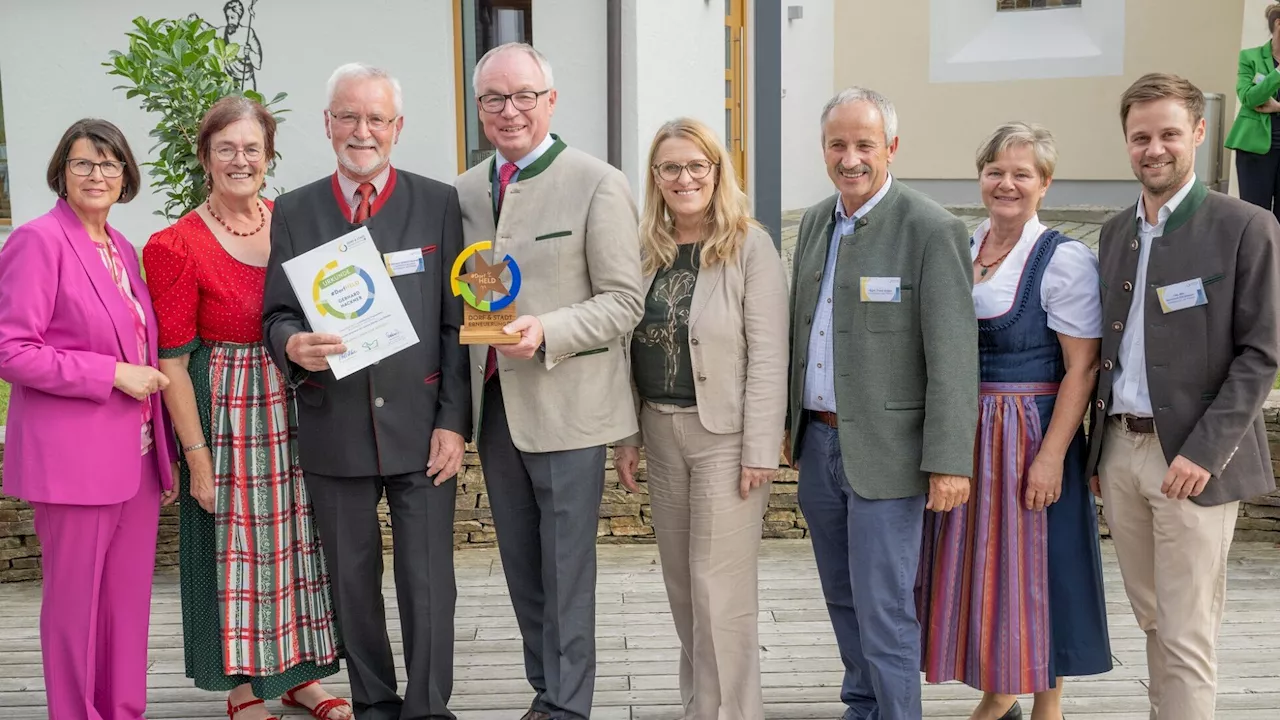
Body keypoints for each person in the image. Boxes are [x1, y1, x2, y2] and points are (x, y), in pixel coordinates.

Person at [262, 63, 471, 720]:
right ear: (327, 125)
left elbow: (455, 321)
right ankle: (375, 705)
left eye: (376, 118)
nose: (362, 131)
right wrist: (291, 345)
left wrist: (454, 421)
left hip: (423, 428)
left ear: (397, 128)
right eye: (347, 116)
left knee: (429, 583)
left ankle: (427, 709)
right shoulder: (293, 210)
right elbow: (276, 314)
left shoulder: (438, 202)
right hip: (336, 428)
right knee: (352, 584)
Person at [454, 42, 643, 720]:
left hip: (568, 408)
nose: (510, 111)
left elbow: (625, 301)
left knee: (567, 572)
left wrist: (549, 330)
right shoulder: (466, 189)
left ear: (550, 101)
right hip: (496, 407)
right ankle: (546, 690)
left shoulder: (597, 182)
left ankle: (567, 706)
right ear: (480, 110)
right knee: (523, 570)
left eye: (524, 96)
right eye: (494, 99)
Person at [144, 96, 348, 720]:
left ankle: (300, 675)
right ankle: (242, 687)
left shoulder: (292, 221)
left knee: (301, 541)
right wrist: (197, 456)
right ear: (204, 157)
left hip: (298, 399)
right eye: (226, 148)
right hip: (228, 410)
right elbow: (173, 360)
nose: (241, 160)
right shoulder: (175, 244)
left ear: (269, 156)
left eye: (252, 148)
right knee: (240, 548)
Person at [1089, 72, 1280, 720]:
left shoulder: (1246, 227)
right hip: (1120, 451)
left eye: (1169, 133)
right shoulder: (1114, 233)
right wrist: (1097, 456)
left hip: (1195, 462)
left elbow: (1262, 354)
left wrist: (1205, 452)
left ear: (1199, 133)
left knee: (1187, 633)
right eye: (1140, 136)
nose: (1154, 148)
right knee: (1153, 621)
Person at [785, 87, 979, 720]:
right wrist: (791, 424)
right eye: (837, 145)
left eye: (864, 145)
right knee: (841, 595)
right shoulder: (815, 220)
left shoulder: (931, 228)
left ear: (891, 148)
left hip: (891, 454)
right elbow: (802, 328)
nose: (850, 158)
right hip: (819, 443)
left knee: (884, 602)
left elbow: (953, 356)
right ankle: (862, 705)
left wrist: (951, 460)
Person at [917, 122, 1112, 720]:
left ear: (1044, 185)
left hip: (1029, 429)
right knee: (984, 567)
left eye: (1022, 174)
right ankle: (999, 689)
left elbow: (1082, 368)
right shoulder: (962, 243)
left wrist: (1052, 456)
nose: (1006, 184)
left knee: (1040, 563)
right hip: (966, 429)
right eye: (995, 171)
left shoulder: (1062, 259)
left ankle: (1046, 705)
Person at [0, 119, 178, 720]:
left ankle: (122, 711)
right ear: (62, 171)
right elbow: (11, 350)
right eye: (83, 163)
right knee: (75, 607)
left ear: (126, 174)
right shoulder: (38, 241)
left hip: (139, 457)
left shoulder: (122, 249)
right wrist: (110, 375)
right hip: (74, 462)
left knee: (125, 606)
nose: (97, 175)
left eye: (109, 164)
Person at [613, 117, 788, 720]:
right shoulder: (644, 252)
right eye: (670, 168)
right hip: (660, 434)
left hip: (726, 437)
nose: (683, 178)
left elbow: (769, 354)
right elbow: (621, 348)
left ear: (717, 172)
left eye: (696, 166)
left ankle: (734, 713)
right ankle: (701, 706)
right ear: (656, 178)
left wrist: (761, 446)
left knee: (721, 589)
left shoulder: (749, 246)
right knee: (684, 588)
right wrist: (628, 434)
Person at [1225, 3, 1280, 223]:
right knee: (1255, 215)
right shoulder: (1250, 57)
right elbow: (1249, 97)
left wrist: (1277, 107)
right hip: (1255, 149)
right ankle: (1256, 257)